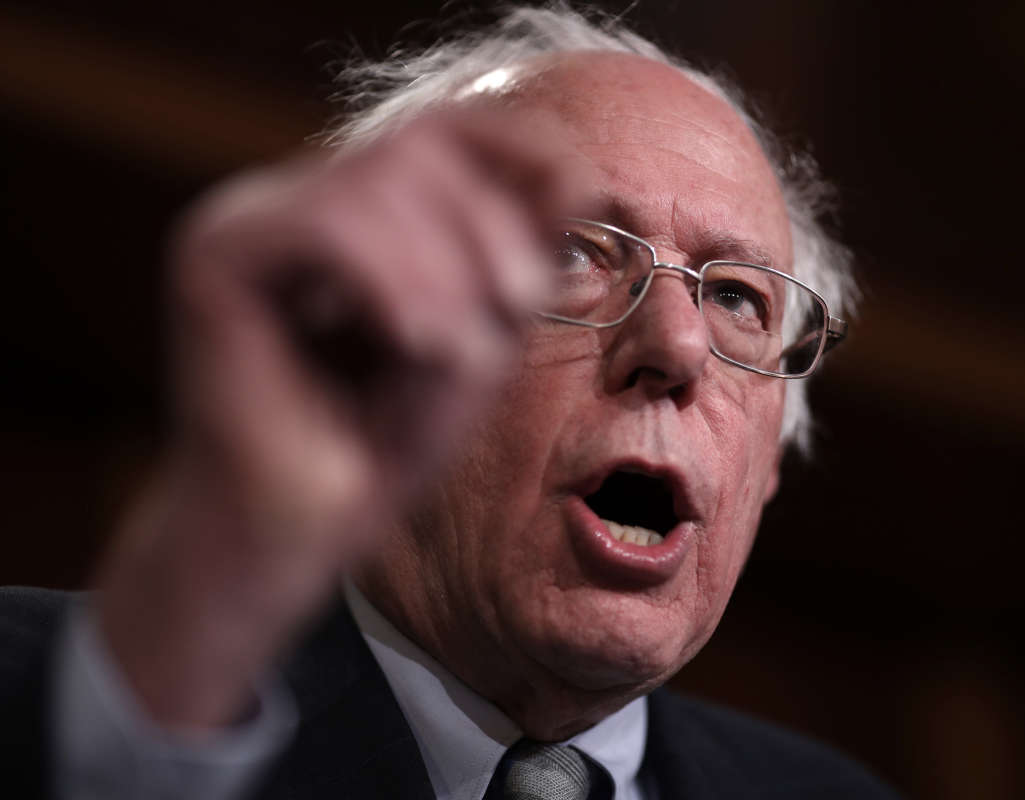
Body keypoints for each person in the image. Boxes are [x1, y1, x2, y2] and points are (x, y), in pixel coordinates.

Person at [1, 6, 896, 799]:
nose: (675, 344)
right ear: (376, 337)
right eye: (570, 252)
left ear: (772, 461)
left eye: (738, 298)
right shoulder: (56, 696)